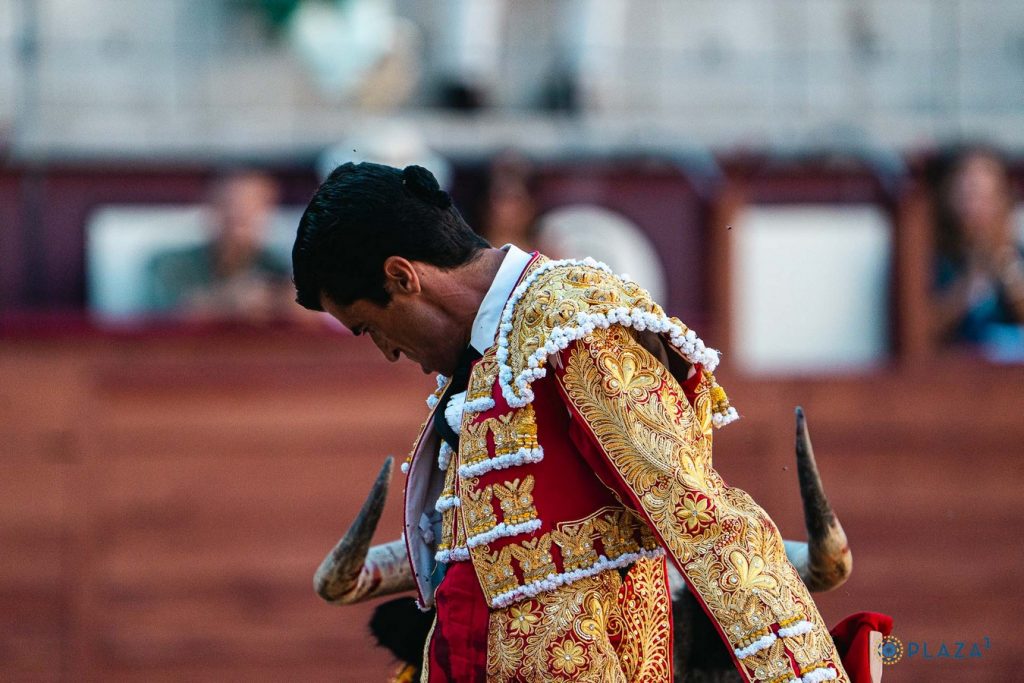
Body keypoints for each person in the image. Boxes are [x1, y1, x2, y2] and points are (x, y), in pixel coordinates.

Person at [292, 162, 854, 682]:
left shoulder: (573, 325)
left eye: (369, 327)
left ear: (402, 277)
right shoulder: (486, 358)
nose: (388, 351)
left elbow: (703, 520)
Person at [148, 170, 293, 322]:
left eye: (252, 204)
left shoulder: (279, 267)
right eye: (228, 203)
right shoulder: (169, 265)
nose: (239, 213)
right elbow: (165, 314)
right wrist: (226, 302)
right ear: (209, 205)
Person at [931, 146, 1024, 347]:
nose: (976, 208)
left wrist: (1006, 264)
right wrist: (969, 283)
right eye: (968, 196)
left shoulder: (1013, 253)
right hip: (956, 360)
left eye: (987, 198)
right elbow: (921, 331)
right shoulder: (935, 259)